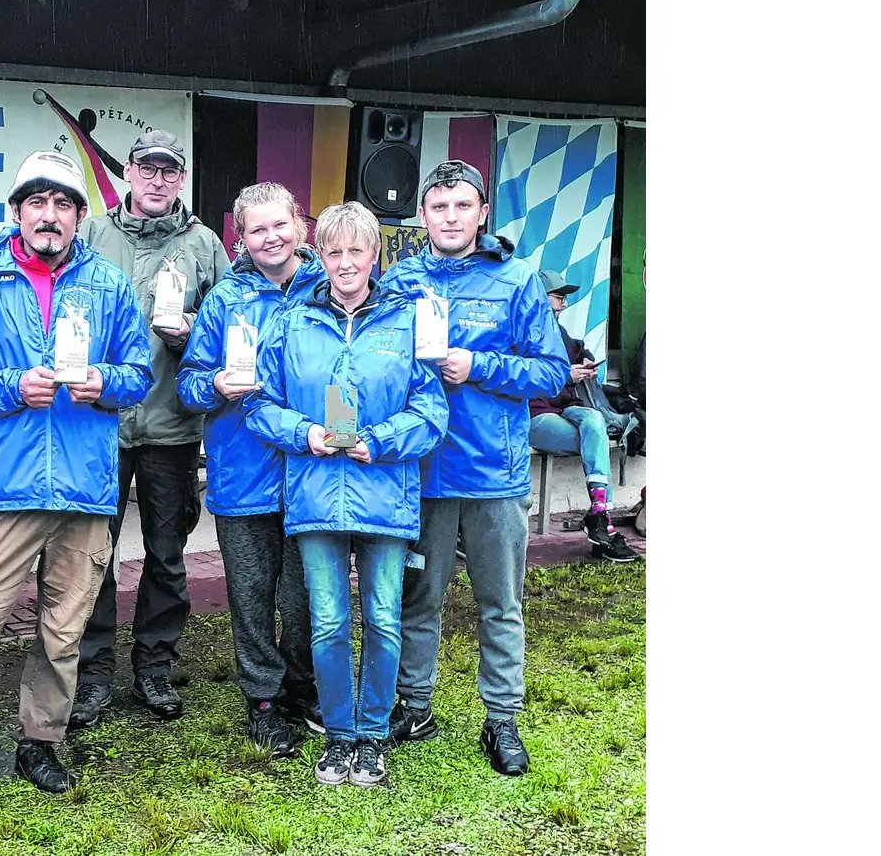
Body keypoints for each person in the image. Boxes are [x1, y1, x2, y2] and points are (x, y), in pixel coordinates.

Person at [0, 151, 154, 794]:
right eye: (37, 203)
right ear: (17, 211)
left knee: (63, 631)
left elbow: (138, 374)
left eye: (64, 204)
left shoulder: (108, 283)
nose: (50, 216)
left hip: (84, 488)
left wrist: (105, 383)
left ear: (78, 216)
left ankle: (40, 741)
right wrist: (13, 386)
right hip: (6, 485)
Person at [246, 202, 448, 788]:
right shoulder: (291, 322)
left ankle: (374, 735)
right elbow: (258, 404)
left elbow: (432, 413)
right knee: (329, 621)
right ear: (322, 255)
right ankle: (338, 736)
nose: (344, 263)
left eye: (355, 251)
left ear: (374, 255)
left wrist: (380, 441)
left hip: (384, 493)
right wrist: (304, 433)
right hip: (315, 494)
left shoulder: (407, 323)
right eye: (333, 252)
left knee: (383, 619)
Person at [379, 160, 569, 776]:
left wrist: (478, 365)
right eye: (439, 207)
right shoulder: (401, 279)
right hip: (423, 471)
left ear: (482, 212)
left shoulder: (517, 281)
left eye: (462, 206)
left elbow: (551, 372)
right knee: (419, 595)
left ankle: (503, 719)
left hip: (494, 473)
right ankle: (414, 704)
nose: (451, 217)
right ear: (423, 215)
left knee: (500, 601)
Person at [71, 129, 232, 727]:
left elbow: (228, 323)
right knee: (94, 554)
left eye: (170, 171)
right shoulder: (92, 233)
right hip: (100, 424)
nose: (158, 180)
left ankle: (155, 668)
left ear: (180, 179)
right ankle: (92, 675)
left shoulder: (204, 244)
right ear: (130, 173)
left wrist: (191, 327)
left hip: (171, 424)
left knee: (166, 555)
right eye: (147, 168)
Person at [175, 183, 326, 756]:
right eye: (256, 229)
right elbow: (189, 385)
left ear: (300, 227)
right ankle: (262, 699)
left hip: (313, 469)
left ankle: (302, 684)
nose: (271, 237)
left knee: (308, 591)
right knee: (252, 592)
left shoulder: (326, 290)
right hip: (244, 473)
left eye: (280, 225)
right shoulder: (224, 300)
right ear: (240, 236)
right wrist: (214, 384)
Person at [528, 270, 639, 562]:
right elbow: (521, 375)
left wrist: (586, 362)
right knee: (596, 438)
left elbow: (577, 350)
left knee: (594, 420)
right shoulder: (522, 330)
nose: (564, 305)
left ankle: (600, 514)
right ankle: (604, 520)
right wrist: (567, 375)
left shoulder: (560, 332)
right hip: (534, 415)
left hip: (566, 408)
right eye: (559, 297)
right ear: (539, 297)